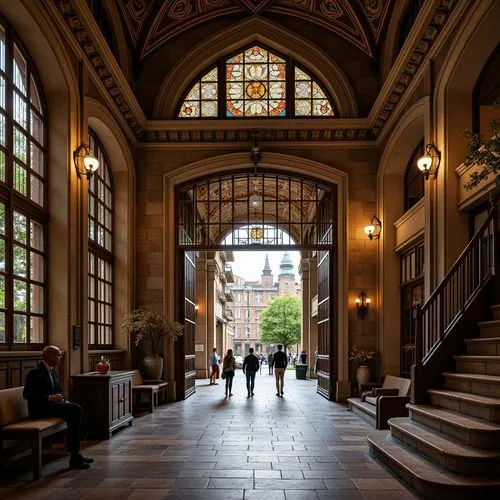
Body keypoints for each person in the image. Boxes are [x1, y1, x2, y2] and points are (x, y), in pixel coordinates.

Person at [23, 345, 93, 469]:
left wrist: (63, 400)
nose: (60, 357)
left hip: (51, 407)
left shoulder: (52, 371)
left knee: (75, 408)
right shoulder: (35, 372)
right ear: (49, 357)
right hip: (40, 409)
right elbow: (28, 395)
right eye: (58, 355)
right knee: (75, 409)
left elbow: (58, 391)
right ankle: (75, 455)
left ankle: (76, 453)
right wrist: (49, 398)